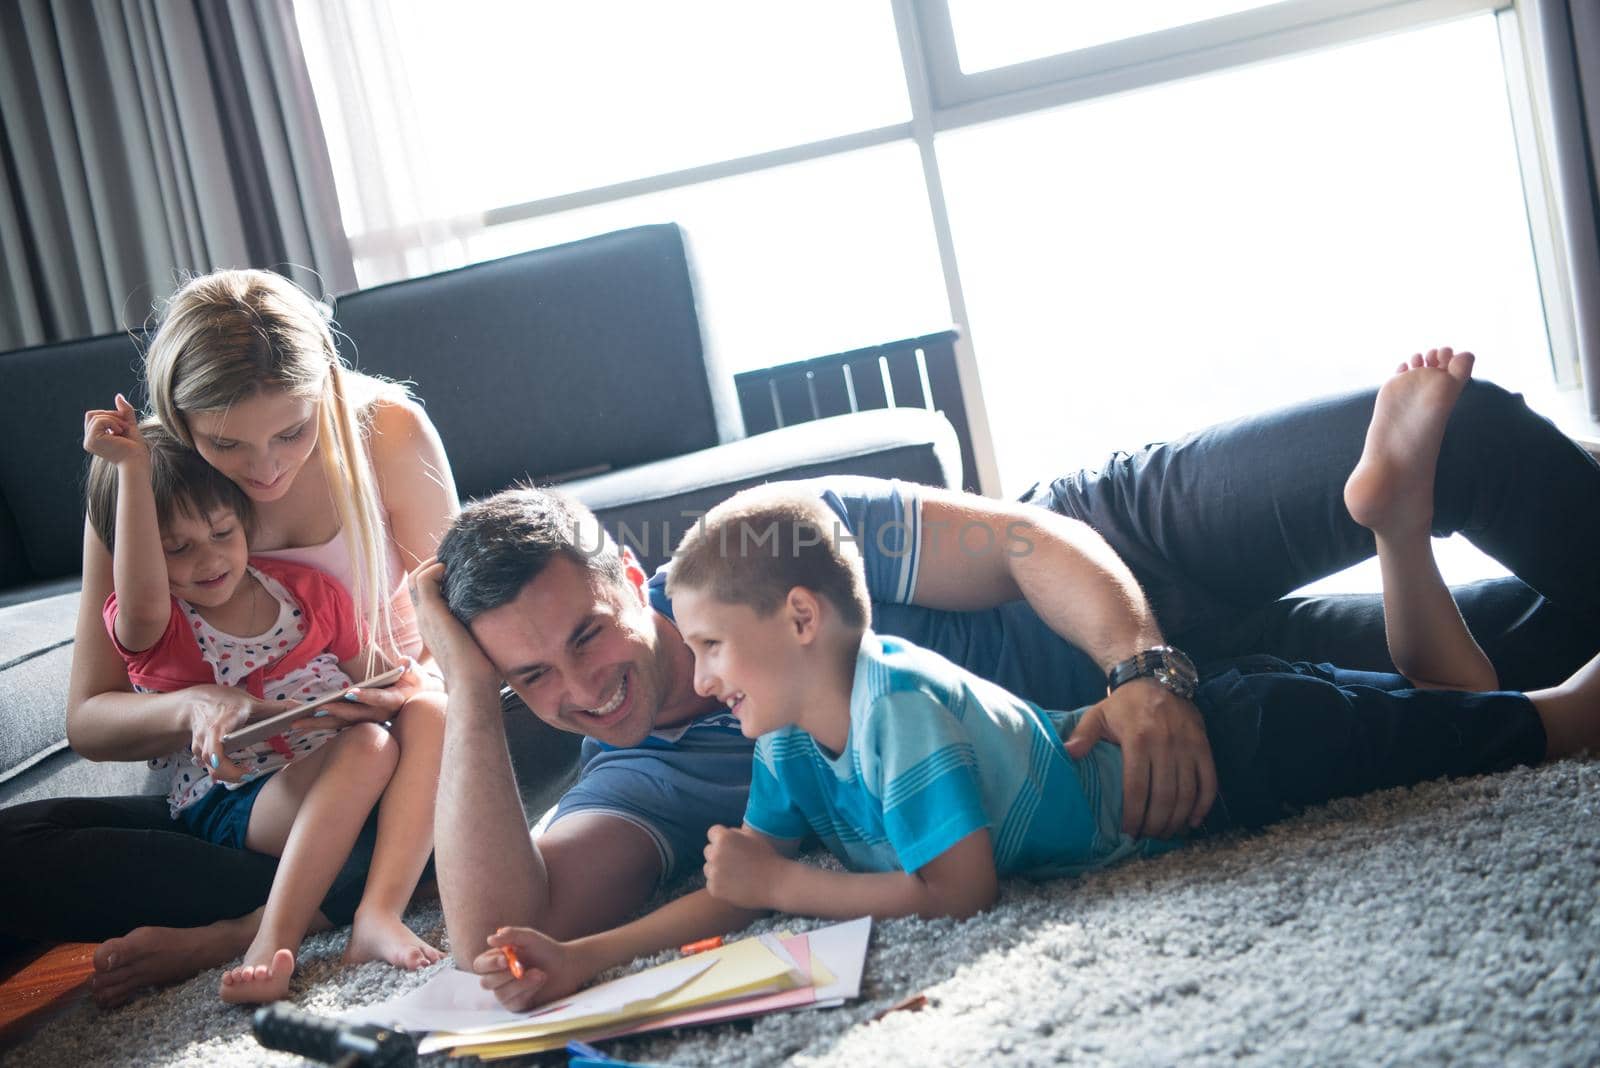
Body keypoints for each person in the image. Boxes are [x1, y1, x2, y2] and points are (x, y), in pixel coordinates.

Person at [466, 351, 1600, 1009]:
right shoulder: (635, 779)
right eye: (527, 679)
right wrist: (458, 691)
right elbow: (498, 935)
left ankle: (1392, 521)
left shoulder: (750, 558)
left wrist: (1142, 668)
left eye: (588, 634)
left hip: (1130, 560)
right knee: (1521, 673)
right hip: (1185, 729)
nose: (582, 688)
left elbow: (1021, 544)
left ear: (628, 576)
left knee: (1463, 436)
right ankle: (1409, 561)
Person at [0, 269, 459, 1008]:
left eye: (292, 431)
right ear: (179, 419)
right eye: (226, 445)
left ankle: (246, 929)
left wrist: (396, 688)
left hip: (389, 766)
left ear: (324, 387)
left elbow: (461, 638)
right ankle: (325, 896)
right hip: (237, 795)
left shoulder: (388, 430)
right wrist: (196, 707)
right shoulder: (141, 486)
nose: (267, 468)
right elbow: (91, 719)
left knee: (437, 747)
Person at [82, 404, 445, 1003]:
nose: (208, 561)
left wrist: (384, 696)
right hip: (237, 798)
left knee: (431, 711)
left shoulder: (308, 595)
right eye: (177, 549)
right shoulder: (161, 625)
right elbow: (142, 599)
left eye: (222, 534)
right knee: (370, 746)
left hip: (334, 775)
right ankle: (271, 939)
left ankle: (379, 912)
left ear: (244, 520)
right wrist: (130, 470)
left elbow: (389, 677)